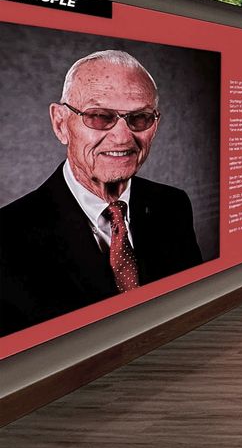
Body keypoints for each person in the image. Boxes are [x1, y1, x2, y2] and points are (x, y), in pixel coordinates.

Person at [1, 50, 202, 335]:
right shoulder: (7, 236)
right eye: (98, 116)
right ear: (60, 123)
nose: (122, 137)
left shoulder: (173, 205)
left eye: (140, 118)